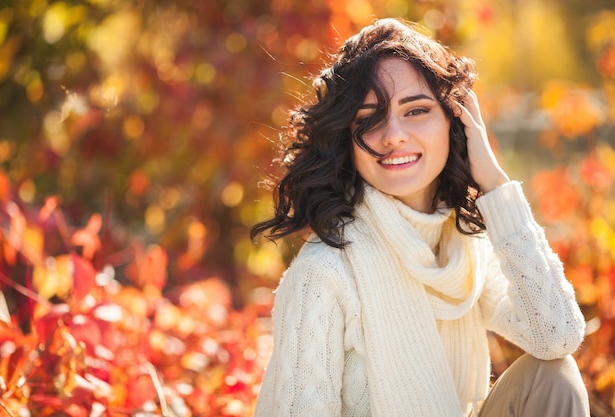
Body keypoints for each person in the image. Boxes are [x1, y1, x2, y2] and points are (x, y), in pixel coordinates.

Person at [251, 17, 589, 417]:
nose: (393, 134)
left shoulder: (463, 247)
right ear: (348, 139)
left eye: (416, 111)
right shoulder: (324, 272)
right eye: (369, 117)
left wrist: (494, 185)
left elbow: (557, 335)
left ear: (455, 122)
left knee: (553, 376)